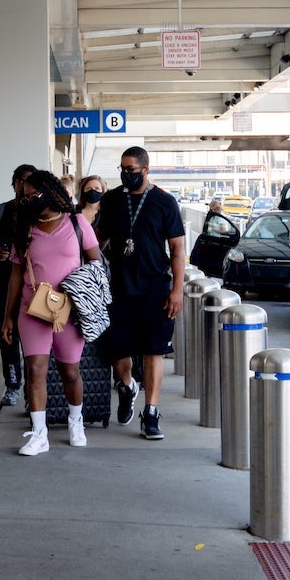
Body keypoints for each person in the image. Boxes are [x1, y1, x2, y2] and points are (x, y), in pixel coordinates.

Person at [1, 171, 101, 456]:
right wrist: (7, 316)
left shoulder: (76, 222)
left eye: (33, 194)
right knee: (35, 370)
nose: (28, 199)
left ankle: (75, 422)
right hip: (32, 309)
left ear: (50, 192)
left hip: (70, 310)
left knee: (70, 372)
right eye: (25, 195)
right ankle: (39, 434)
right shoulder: (25, 228)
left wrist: (82, 290)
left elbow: (96, 262)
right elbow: (15, 276)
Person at [94, 146, 186, 440]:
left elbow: (177, 250)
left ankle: (151, 412)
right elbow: (98, 241)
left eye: (130, 170)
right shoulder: (111, 200)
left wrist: (177, 291)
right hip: (118, 288)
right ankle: (127, 386)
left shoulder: (164, 202)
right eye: (122, 169)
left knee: (153, 351)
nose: (125, 174)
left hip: (154, 288)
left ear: (146, 169)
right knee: (117, 351)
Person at [0, 164, 34, 406]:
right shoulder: (0, 211)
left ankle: (34, 391)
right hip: (4, 284)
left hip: (35, 286)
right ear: (13, 183)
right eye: (20, 181)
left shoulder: (42, 211)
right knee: (7, 334)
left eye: (29, 181)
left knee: (35, 339)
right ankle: (12, 385)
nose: (24, 186)